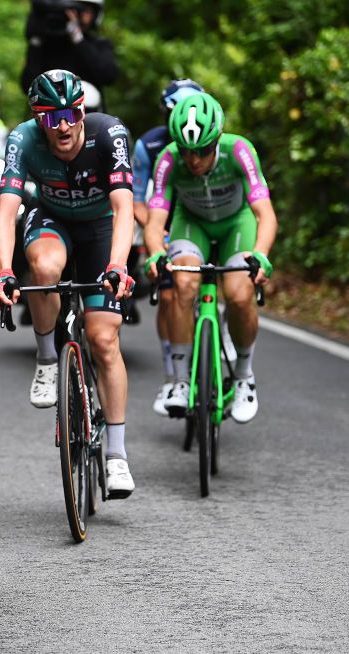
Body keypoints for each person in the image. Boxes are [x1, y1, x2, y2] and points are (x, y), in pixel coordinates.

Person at [0, 69, 137, 497]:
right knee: (43, 269)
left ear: (83, 110)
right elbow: (5, 214)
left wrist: (119, 265)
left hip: (100, 230)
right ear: (38, 119)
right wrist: (4, 270)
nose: (64, 126)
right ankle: (47, 358)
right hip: (51, 220)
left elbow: (124, 207)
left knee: (104, 340)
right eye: (51, 118)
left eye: (71, 114)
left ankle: (116, 455)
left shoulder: (109, 133)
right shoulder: (23, 139)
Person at [142, 92, 276, 424]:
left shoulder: (239, 150)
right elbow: (156, 220)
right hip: (192, 224)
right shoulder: (169, 160)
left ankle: (244, 376)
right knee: (184, 284)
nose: (194, 160)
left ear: (216, 139)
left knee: (239, 294)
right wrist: (156, 253)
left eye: (202, 150)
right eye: (187, 151)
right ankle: (181, 381)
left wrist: (261, 254)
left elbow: (266, 214)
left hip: (236, 225)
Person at [131, 78, 205, 416]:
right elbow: (136, 199)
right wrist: (155, 234)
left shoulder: (210, 138)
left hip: (201, 221)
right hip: (161, 222)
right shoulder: (149, 145)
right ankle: (173, 372)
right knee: (171, 294)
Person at [20, 0, 118, 110]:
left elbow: (108, 76)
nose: (72, 16)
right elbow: (27, 86)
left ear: (96, 14)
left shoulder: (99, 44)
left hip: (90, 116)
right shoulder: (46, 46)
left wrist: (78, 38)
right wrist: (35, 40)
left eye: (82, 10)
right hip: (51, 118)